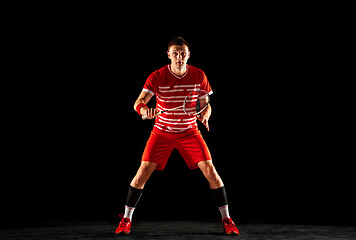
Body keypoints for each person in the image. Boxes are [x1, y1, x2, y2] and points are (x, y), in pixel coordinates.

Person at [115, 37, 239, 235]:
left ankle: (227, 219)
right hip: (162, 132)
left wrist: (205, 115)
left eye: (183, 54)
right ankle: (126, 219)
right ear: (169, 55)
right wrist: (144, 111)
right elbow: (138, 102)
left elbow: (206, 105)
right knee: (142, 174)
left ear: (188, 54)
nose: (179, 57)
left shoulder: (199, 75)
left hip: (189, 132)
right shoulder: (157, 76)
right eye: (175, 54)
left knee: (210, 171)